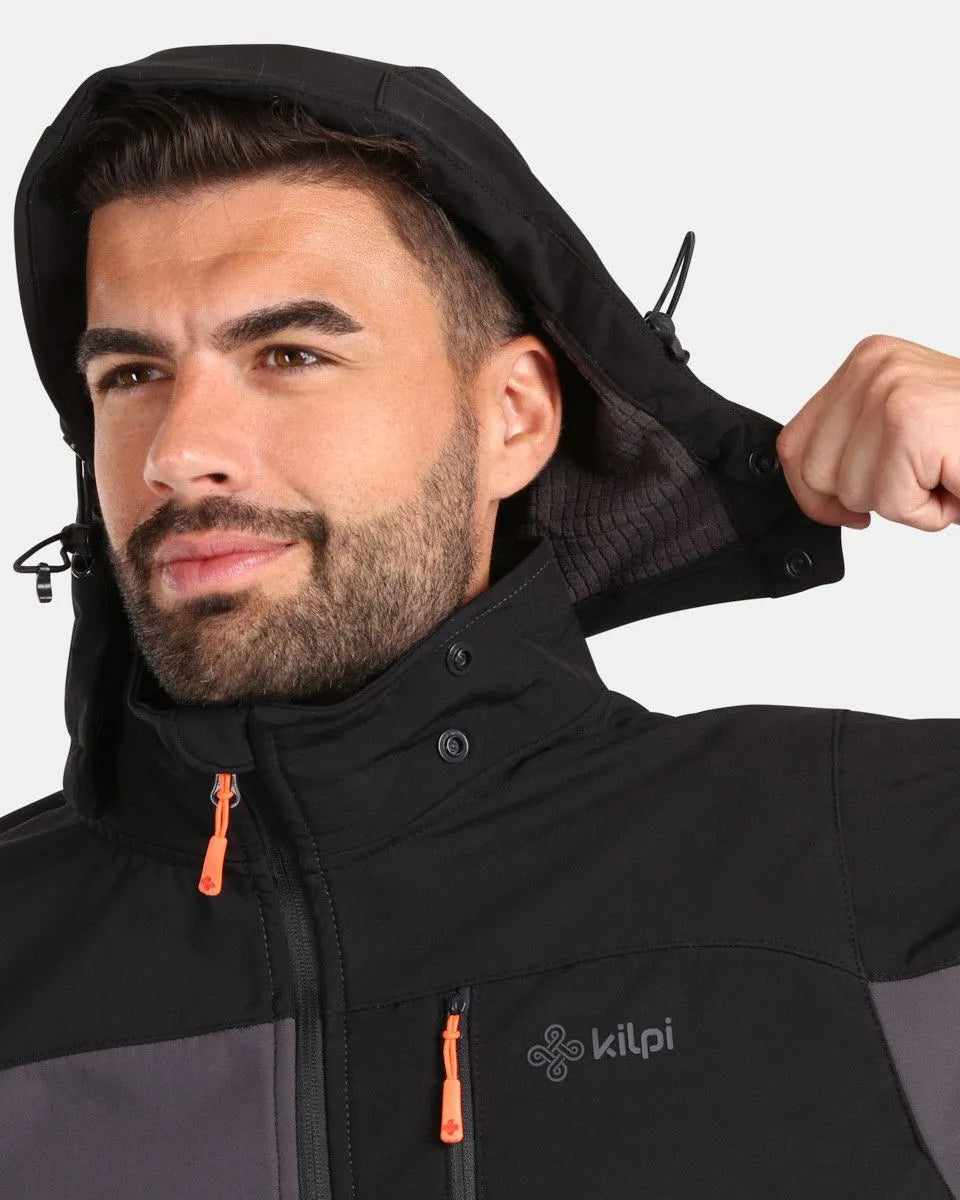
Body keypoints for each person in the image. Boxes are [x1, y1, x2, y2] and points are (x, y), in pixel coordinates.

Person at [2, 42, 958, 1200]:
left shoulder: (866, 856)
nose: (178, 451)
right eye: (131, 375)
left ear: (514, 417)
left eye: (290, 353)